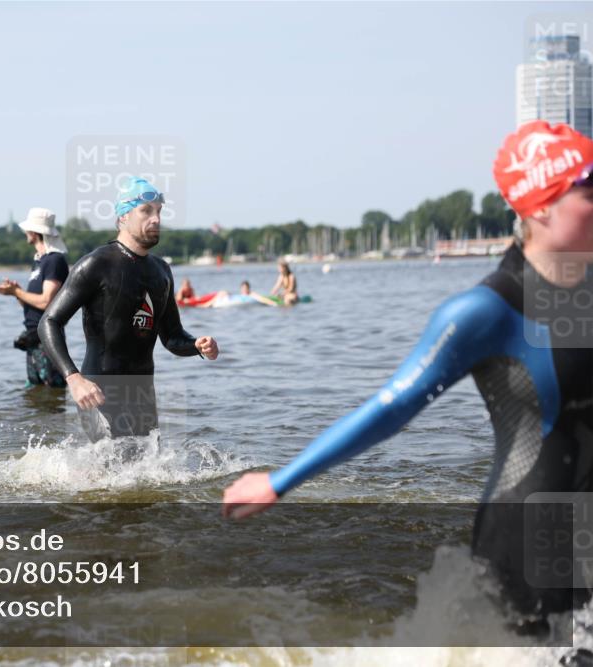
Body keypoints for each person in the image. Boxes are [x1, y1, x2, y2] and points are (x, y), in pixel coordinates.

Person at [222, 121, 593, 625]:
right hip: (532, 538)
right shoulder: (486, 311)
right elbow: (394, 405)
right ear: (541, 204)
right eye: (588, 189)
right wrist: (280, 482)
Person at [38, 178, 219, 442]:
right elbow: (49, 322)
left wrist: (197, 346)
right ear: (123, 216)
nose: (156, 219)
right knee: (110, 472)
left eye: (159, 211)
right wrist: (74, 378)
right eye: (146, 211)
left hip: (143, 394)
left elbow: (172, 336)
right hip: (98, 391)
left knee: (146, 477)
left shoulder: (162, 271)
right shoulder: (96, 264)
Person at [0, 207, 69, 388]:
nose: (25, 233)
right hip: (34, 337)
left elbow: (46, 302)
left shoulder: (54, 260)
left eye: (27, 229)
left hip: (48, 338)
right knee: (35, 392)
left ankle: (54, 418)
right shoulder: (39, 262)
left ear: (35, 232)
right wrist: (16, 292)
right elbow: (33, 305)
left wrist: (16, 292)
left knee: (52, 391)